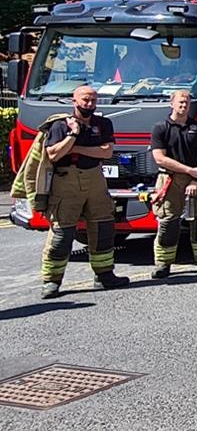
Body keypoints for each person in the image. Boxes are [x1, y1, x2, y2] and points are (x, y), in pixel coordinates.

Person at [38, 85, 129, 299]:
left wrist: (75, 148)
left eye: (93, 100)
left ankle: (105, 275)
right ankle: (51, 281)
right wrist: (72, 135)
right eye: (85, 100)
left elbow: (106, 152)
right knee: (62, 232)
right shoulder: (60, 125)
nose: (89, 104)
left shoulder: (103, 123)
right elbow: (53, 154)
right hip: (66, 181)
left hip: (95, 177)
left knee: (104, 226)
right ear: (74, 101)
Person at [149, 90, 197, 277]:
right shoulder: (160, 128)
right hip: (170, 180)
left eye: (186, 102)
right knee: (168, 221)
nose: (183, 105)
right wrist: (188, 170)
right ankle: (163, 264)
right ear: (171, 103)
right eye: (180, 102)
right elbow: (159, 158)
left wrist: (195, 179)